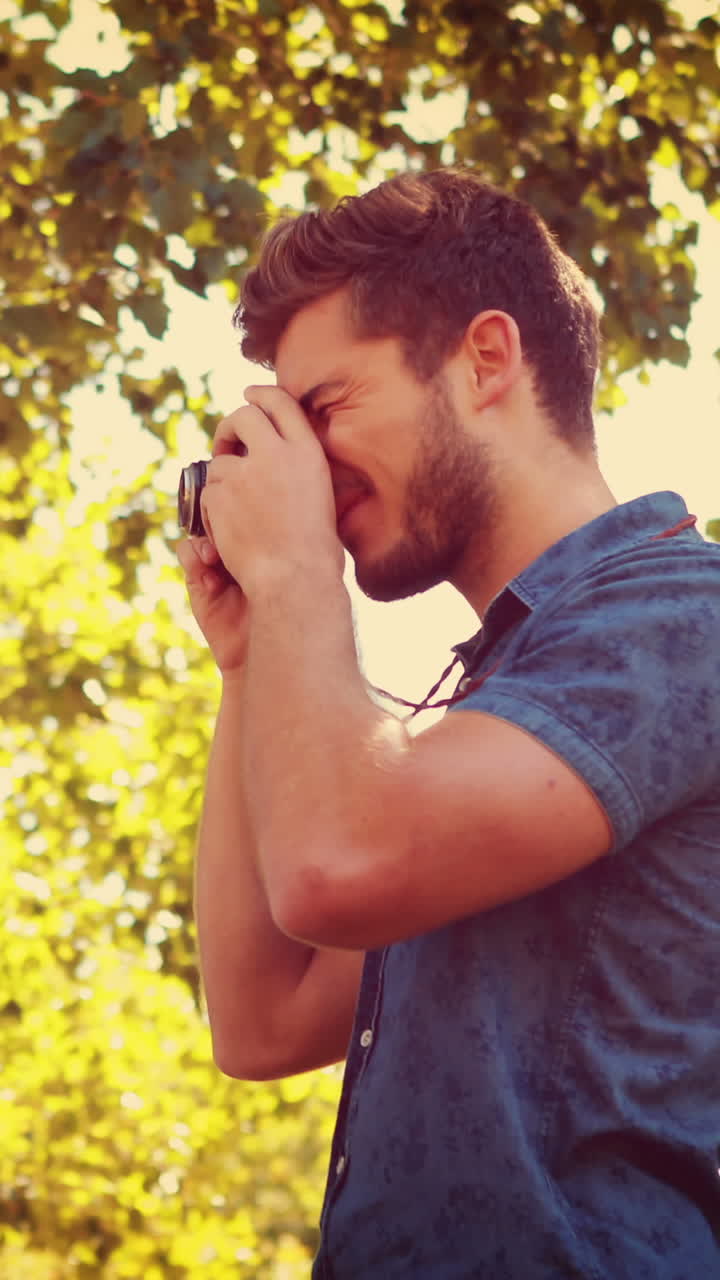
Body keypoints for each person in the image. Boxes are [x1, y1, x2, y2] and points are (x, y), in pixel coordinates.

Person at [176, 167, 720, 1279]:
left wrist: (292, 580)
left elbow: (338, 861)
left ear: (485, 359)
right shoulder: (484, 710)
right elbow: (262, 1019)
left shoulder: (683, 614)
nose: (309, 473)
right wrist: (248, 659)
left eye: (325, 411)